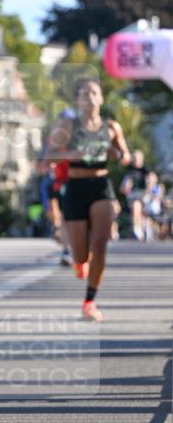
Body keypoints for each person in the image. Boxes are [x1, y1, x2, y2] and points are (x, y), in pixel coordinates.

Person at [47, 77, 130, 321]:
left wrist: (118, 154)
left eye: (94, 93)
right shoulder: (68, 125)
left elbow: (125, 156)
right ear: (78, 100)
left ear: (101, 98)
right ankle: (80, 262)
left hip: (101, 184)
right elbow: (48, 155)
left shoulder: (112, 127)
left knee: (101, 242)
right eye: (85, 94)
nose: (90, 98)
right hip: (76, 186)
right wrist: (73, 154)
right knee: (80, 256)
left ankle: (89, 301)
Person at [119, 149, 150, 241]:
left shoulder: (146, 171)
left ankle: (143, 227)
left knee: (141, 208)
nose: (137, 161)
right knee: (136, 205)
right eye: (135, 159)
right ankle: (137, 228)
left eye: (139, 159)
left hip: (145, 195)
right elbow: (122, 188)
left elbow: (153, 181)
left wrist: (149, 187)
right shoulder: (129, 172)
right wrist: (126, 188)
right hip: (134, 195)